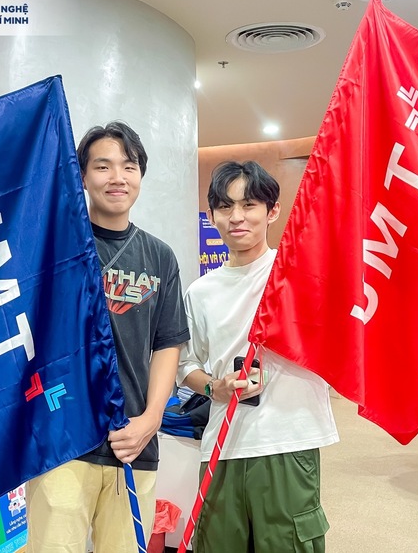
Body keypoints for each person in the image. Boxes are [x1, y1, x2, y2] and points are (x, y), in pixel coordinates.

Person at [27, 121, 190, 553]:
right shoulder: (55, 247)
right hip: (62, 443)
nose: (117, 177)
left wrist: (151, 420)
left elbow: (167, 343)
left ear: (140, 176)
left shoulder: (159, 256)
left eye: (128, 166)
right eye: (103, 166)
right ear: (82, 176)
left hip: (132, 443)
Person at [177, 160, 339, 553]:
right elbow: (185, 365)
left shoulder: (300, 274)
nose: (236, 217)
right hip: (223, 445)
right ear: (211, 215)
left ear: (272, 211)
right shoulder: (201, 292)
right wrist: (215, 388)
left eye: (249, 205)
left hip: (288, 440)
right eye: (225, 206)